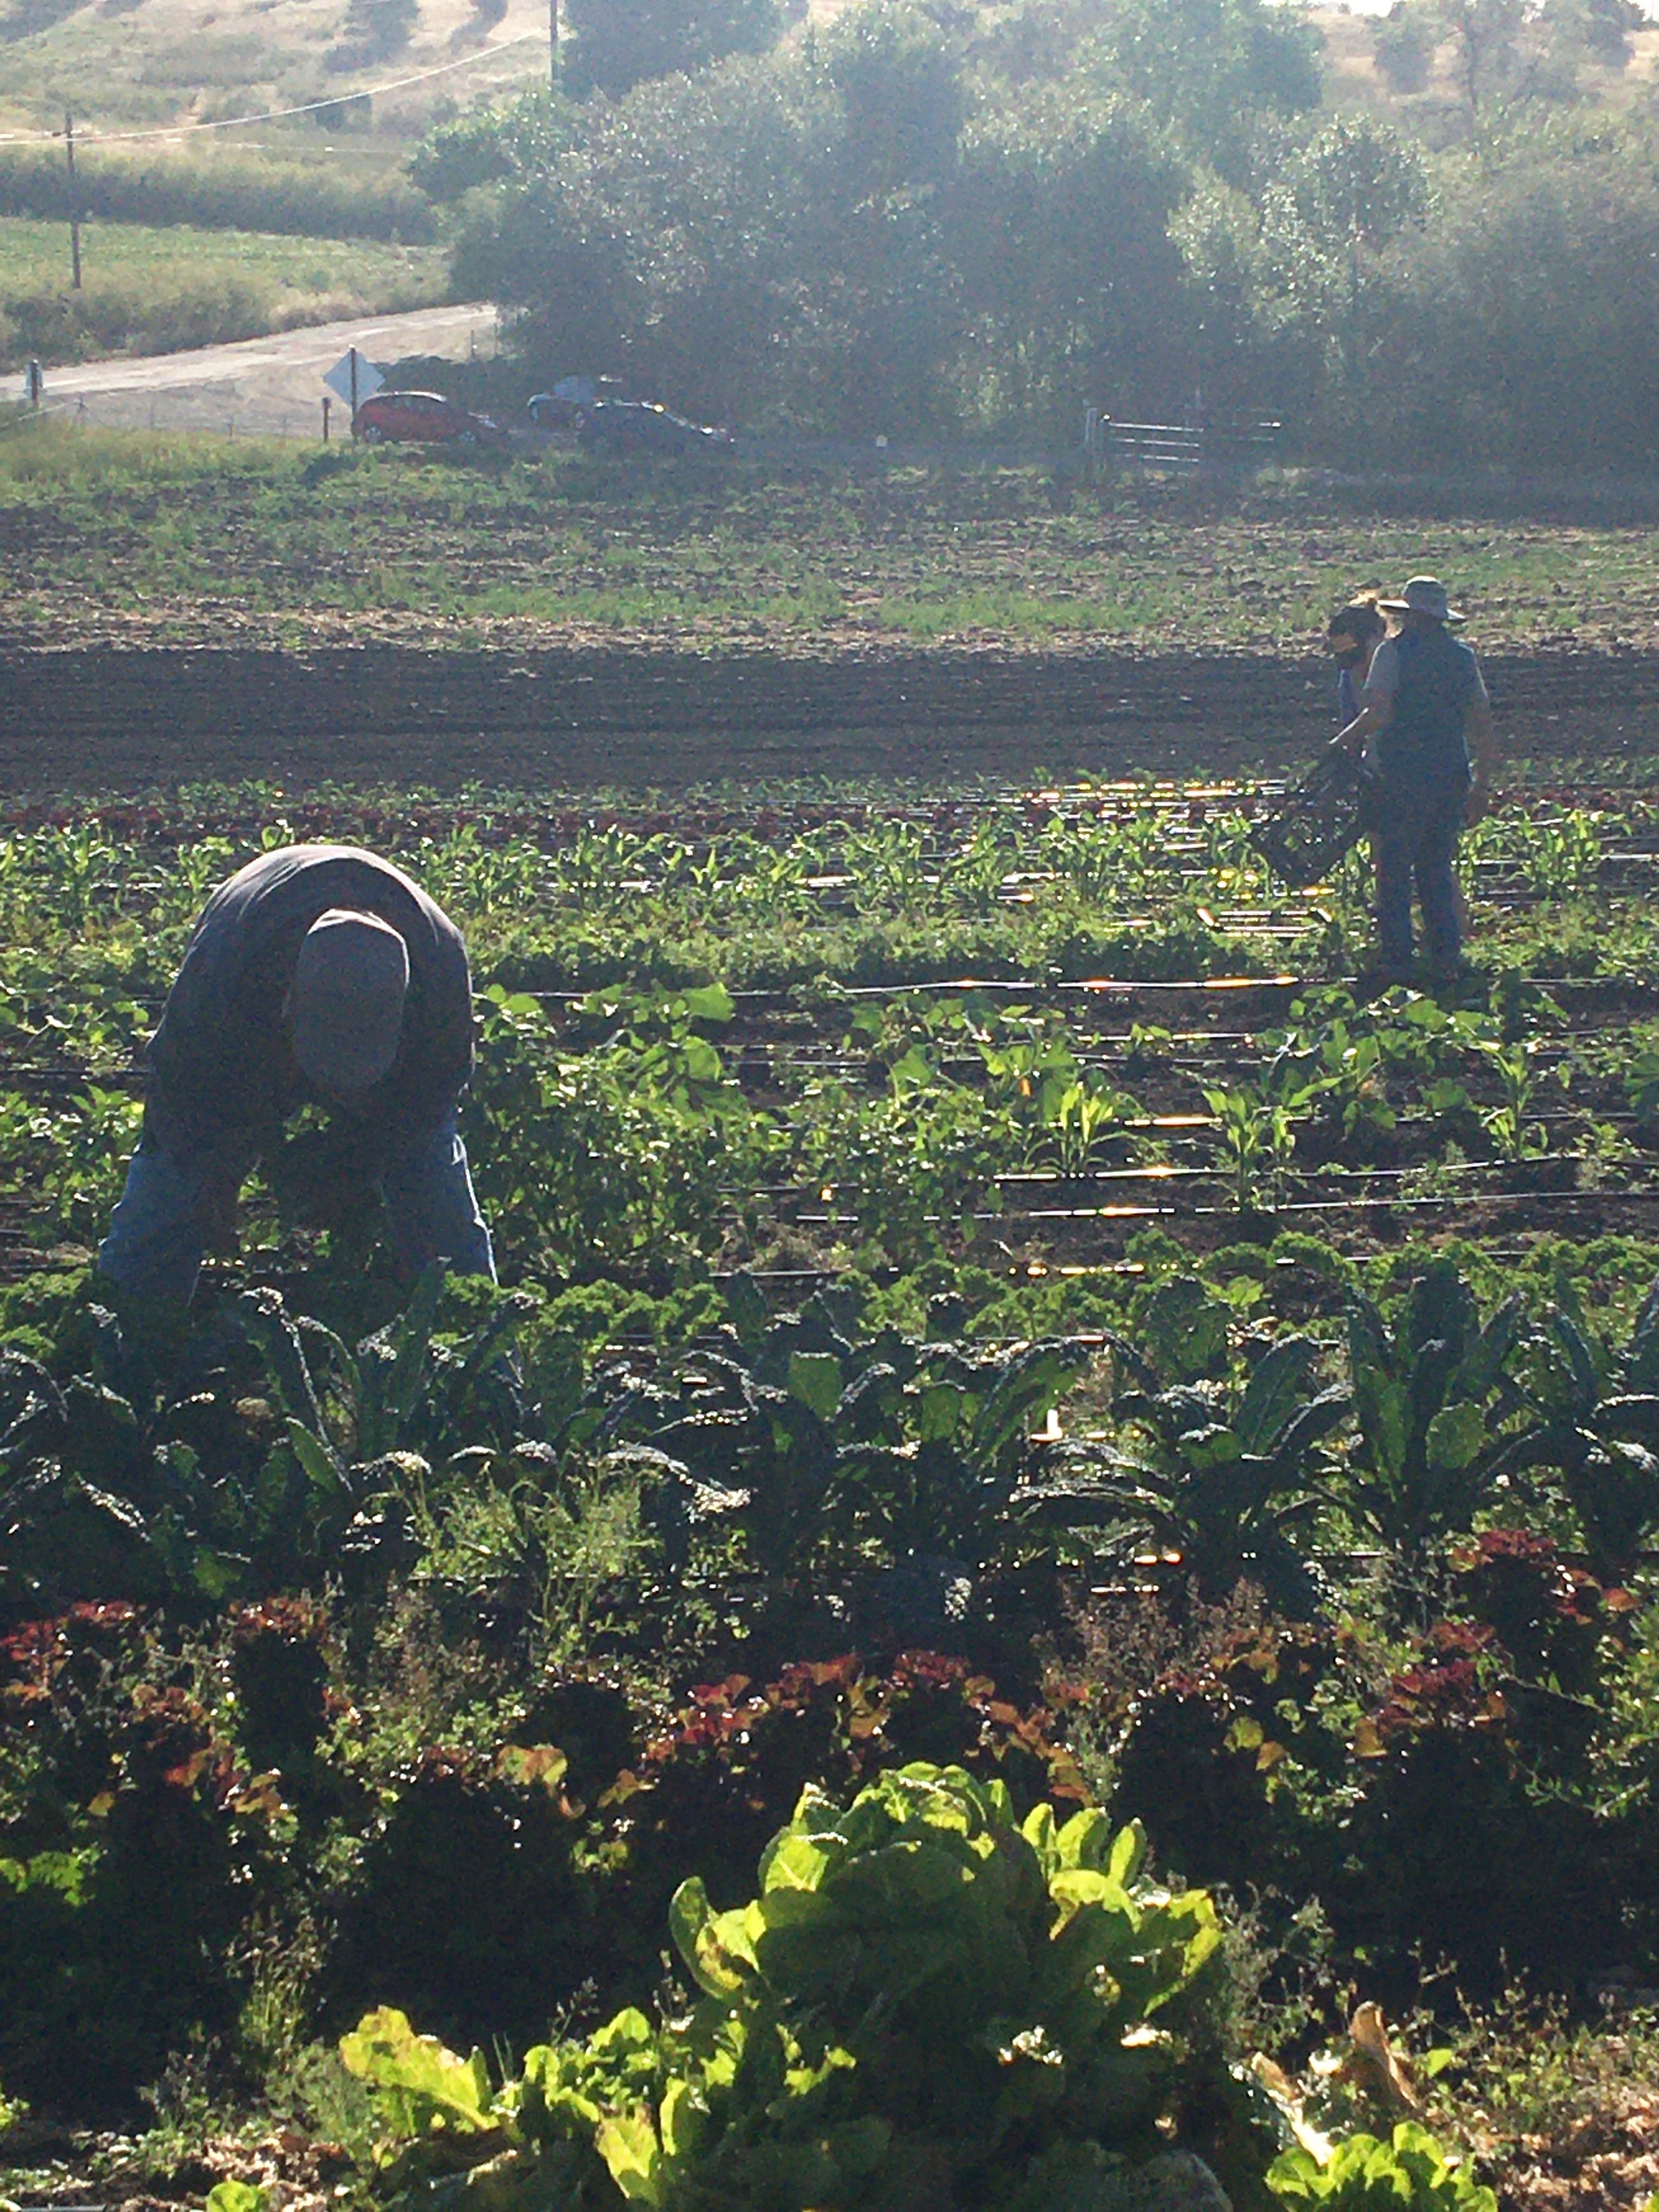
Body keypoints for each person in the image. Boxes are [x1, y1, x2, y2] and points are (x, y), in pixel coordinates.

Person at [98, 845, 494, 1305]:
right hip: (253, 917)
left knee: (434, 1195)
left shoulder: (441, 975)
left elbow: (427, 1107)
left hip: (388, 963)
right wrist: (216, 1176)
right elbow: (181, 1101)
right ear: (286, 1005)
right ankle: (125, 1336)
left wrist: (360, 1163)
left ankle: (480, 1353)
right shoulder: (225, 977)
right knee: (171, 1188)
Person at [1333, 575, 1496, 985]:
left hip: (1402, 775)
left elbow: (1378, 714)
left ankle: (1398, 961)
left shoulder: (1393, 653)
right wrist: (1482, 785)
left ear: (1408, 614)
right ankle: (1446, 957)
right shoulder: (1462, 658)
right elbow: (1481, 725)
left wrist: (1340, 743)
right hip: (1451, 775)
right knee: (1435, 867)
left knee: (1393, 869)